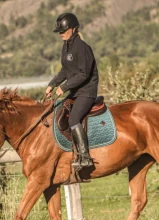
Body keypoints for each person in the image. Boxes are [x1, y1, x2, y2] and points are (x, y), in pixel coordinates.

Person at [46, 12, 99, 170]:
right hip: (76, 91)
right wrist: (53, 84)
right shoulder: (66, 46)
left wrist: (64, 87)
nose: (61, 34)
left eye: (63, 31)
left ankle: (85, 156)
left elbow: (83, 74)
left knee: (74, 118)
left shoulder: (82, 47)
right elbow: (66, 70)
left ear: (74, 29)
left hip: (87, 91)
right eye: (59, 32)